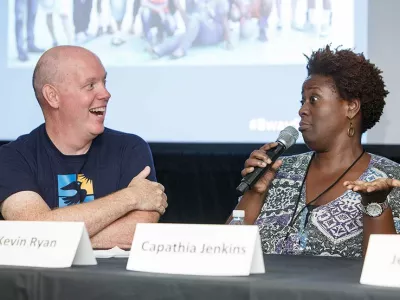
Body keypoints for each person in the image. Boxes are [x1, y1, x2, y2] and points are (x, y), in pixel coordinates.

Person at [227, 45, 400, 258]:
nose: (302, 109)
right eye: (302, 101)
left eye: (314, 100)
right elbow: (226, 253)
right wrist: (255, 193)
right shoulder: (276, 171)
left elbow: (386, 269)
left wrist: (375, 204)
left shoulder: (390, 180)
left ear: (351, 107)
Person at [0, 46, 168, 250]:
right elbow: (34, 232)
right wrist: (131, 197)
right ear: (52, 96)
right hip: (42, 283)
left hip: (111, 283)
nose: (106, 94)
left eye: (104, 82)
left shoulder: (130, 149)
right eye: (90, 85)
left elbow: (139, 232)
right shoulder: (13, 157)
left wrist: (57, 235)